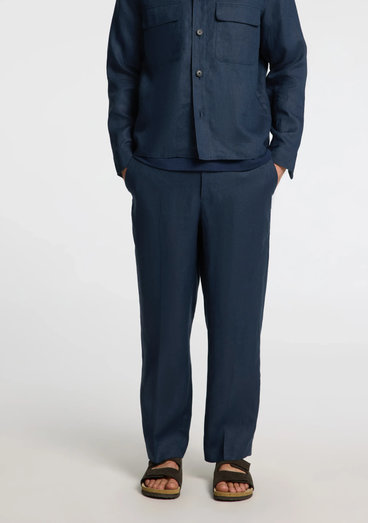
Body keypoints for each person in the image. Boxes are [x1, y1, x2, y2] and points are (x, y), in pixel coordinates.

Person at [106, 0, 307, 501]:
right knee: (163, 322)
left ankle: (231, 450)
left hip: (242, 176)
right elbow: (122, 67)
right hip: (160, 173)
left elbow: (289, 62)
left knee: (238, 321)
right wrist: (126, 160)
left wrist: (280, 157)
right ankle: (164, 450)